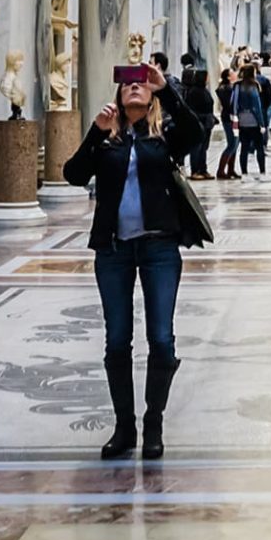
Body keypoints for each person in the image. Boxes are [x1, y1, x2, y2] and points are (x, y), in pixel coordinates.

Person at [61, 65, 208, 461]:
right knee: (116, 338)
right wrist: (95, 131)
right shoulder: (107, 138)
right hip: (114, 251)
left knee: (161, 338)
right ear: (118, 95)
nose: (134, 88)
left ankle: (154, 422)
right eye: (128, 84)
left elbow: (197, 131)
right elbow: (73, 174)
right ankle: (124, 426)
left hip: (159, 247)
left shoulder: (165, 136)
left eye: (141, 84)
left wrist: (169, 90)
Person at [227, 66, 268, 176]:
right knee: (259, 147)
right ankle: (262, 171)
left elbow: (233, 102)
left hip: (241, 119)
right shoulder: (254, 86)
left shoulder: (237, 85)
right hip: (253, 120)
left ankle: (244, 172)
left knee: (244, 147)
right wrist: (262, 123)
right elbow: (257, 106)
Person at [178, 68, 217, 178]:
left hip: (207, 122)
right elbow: (192, 109)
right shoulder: (194, 92)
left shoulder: (204, 90)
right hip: (199, 122)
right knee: (197, 147)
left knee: (204, 147)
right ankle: (195, 170)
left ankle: (202, 169)